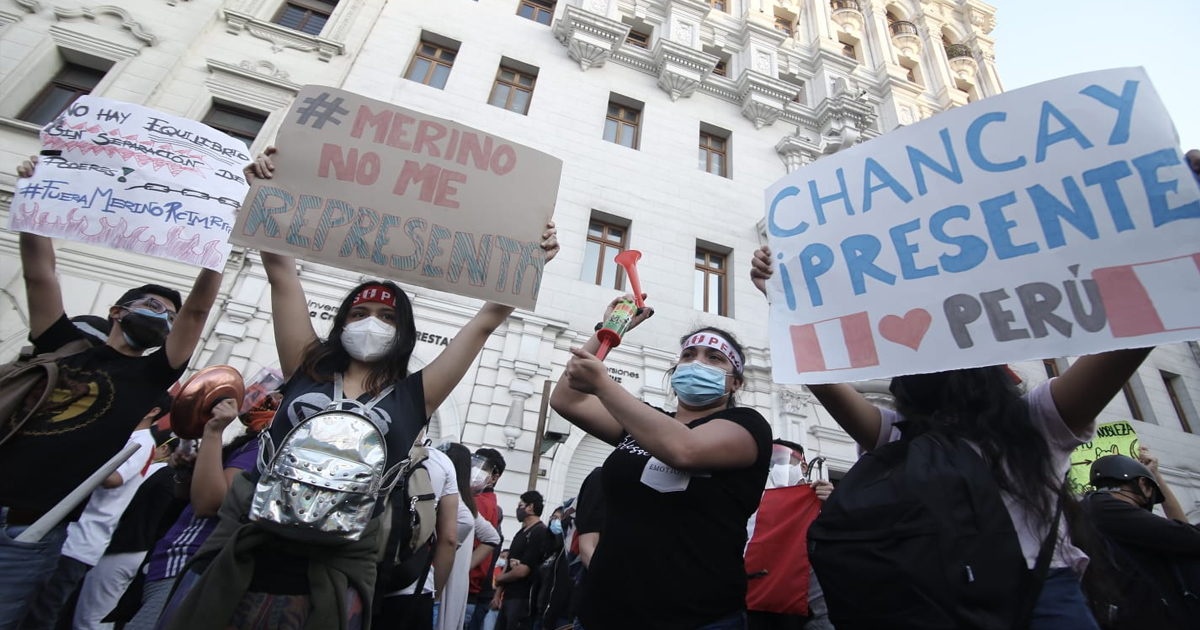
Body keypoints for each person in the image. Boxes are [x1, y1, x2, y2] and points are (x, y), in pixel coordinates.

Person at [159, 148, 558, 630]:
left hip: (331, 585)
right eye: (359, 313)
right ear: (341, 322)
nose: (372, 323)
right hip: (241, 565)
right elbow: (281, 274)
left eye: (388, 317)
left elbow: (486, 321)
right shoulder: (305, 369)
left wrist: (529, 260)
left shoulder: (416, 395)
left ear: (403, 332)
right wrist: (264, 193)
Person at [750, 245, 1154, 630]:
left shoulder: (1036, 421)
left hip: (1029, 601)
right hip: (941, 599)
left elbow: (1136, 326)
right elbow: (818, 374)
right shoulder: (899, 436)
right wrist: (782, 301)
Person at [2, 157, 223, 628]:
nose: (162, 316)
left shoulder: (149, 377)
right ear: (117, 311)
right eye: (151, 306)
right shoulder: (63, 345)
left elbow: (199, 310)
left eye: (168, 315)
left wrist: (221, 239)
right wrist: (33, 197)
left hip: (30, 529)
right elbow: (40, 274)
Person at [551, 298, 773, 630]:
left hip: (696, 619)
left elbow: (684, 449)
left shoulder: (748, 426)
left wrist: (604, 384)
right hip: (603, 612)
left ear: (735, 382)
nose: (698, 363)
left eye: (714, 358)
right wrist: (610, 330)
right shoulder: (643, 422)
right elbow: (567, 399)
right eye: (688, 355)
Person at [19, 394, 172, 630]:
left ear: (152, 411)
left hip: (80, 542)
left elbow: (113, 479)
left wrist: (83, 453)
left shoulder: (142, 442)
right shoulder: (123, 433)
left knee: (44, 612)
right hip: (62, 533)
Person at [123, 398, 260, 630]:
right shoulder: (249, 444)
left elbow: (209, 504)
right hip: (174, 562)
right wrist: (186, 471)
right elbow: (185, 495)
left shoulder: (261, 449)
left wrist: (213, 432)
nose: (261, 403)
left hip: (191, 564)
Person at [74, 426, 185, 630]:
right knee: (98, 615)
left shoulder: (157, 471)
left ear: (164, 450)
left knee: (91, 618)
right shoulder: (166, 475)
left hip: (123, 546)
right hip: (136, 549)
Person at [1084, 448, 1200, 629]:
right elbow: (1189, 537)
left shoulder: (1097, 509)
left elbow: (1181, 533)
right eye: (1151, 490)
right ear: (1143, 484)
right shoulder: (1105, 507)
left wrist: (1154, 474)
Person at [745, 441, 834, 630]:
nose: (776, 467)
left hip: (812, 598)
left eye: (782, 460)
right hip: (763, 598)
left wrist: (835, 505)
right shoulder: (758, 505)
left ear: (802, 465)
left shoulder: (822, 499)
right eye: (771, 463)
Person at [376, 443, 461, 629]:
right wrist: (435, 593)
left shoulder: (372, 443)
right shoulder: (440, 462)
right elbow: (449, 539)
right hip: (412, 585)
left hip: (359, 578)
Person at [439, 443, 501, 630]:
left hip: (453, 585)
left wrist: (459, 564)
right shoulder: (471, 500)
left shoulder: (475, 502)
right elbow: (492, 538)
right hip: (461, 586)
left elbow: (452, 539)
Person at [493, 491, 547, 630]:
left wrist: (500, 578)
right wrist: (498, 594)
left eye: (520, 505)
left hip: (522, 599)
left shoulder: (539, 532)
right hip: (508, 598)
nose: (518, 509)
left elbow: (523, 571)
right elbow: (508, 564)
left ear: (530, 507)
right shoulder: (521, 533)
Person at [468, 448, 508, 630]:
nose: (474, 470)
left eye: (481, 468)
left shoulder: (480, 502)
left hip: (466, 587)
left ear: (494, 478)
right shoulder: (483, 499)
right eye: (473, 464)